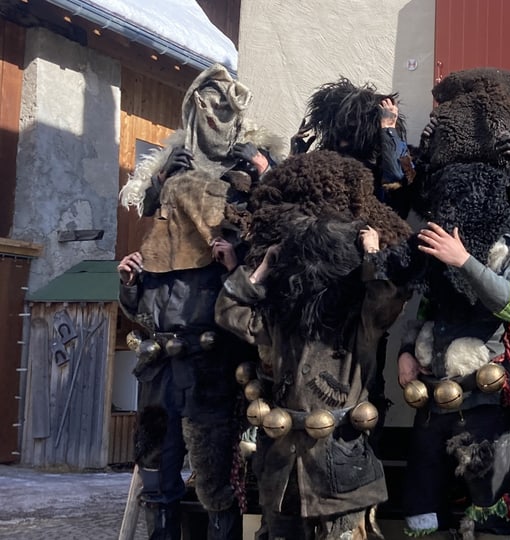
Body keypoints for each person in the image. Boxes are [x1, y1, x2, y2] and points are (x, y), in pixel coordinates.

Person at [117, 63, 283, 540]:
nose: (212, 114)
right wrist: (130, 283)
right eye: (204, 105)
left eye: (222, 106)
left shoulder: (251, 172)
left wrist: (236, 265)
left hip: (213, 365)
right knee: (157, 474)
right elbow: (144, 309)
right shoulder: (170, 177)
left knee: (214, 479)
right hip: (160, 367)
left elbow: (259, 288)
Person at [214, 148, 413, 539]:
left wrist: (372, 255)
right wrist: (265, 267)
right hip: (284, 471)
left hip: (340, 467)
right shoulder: (282, 324)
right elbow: (227, 313)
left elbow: (387, 297)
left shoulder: (359, 326)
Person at [397, 161, 510, 540]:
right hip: (429, 404)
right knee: (421, 509)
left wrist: (463, 260)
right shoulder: (436, 245)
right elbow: (425, 309)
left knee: (487, 507)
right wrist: (406, 351)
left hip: (482, 405)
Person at [290, 78, 414, 217]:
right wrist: (296, 158)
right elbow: (295, 194)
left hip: (374, 232)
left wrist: (389, 130)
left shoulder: (383, 159)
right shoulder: (327, 159)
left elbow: (396, 178)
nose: (345, 136)